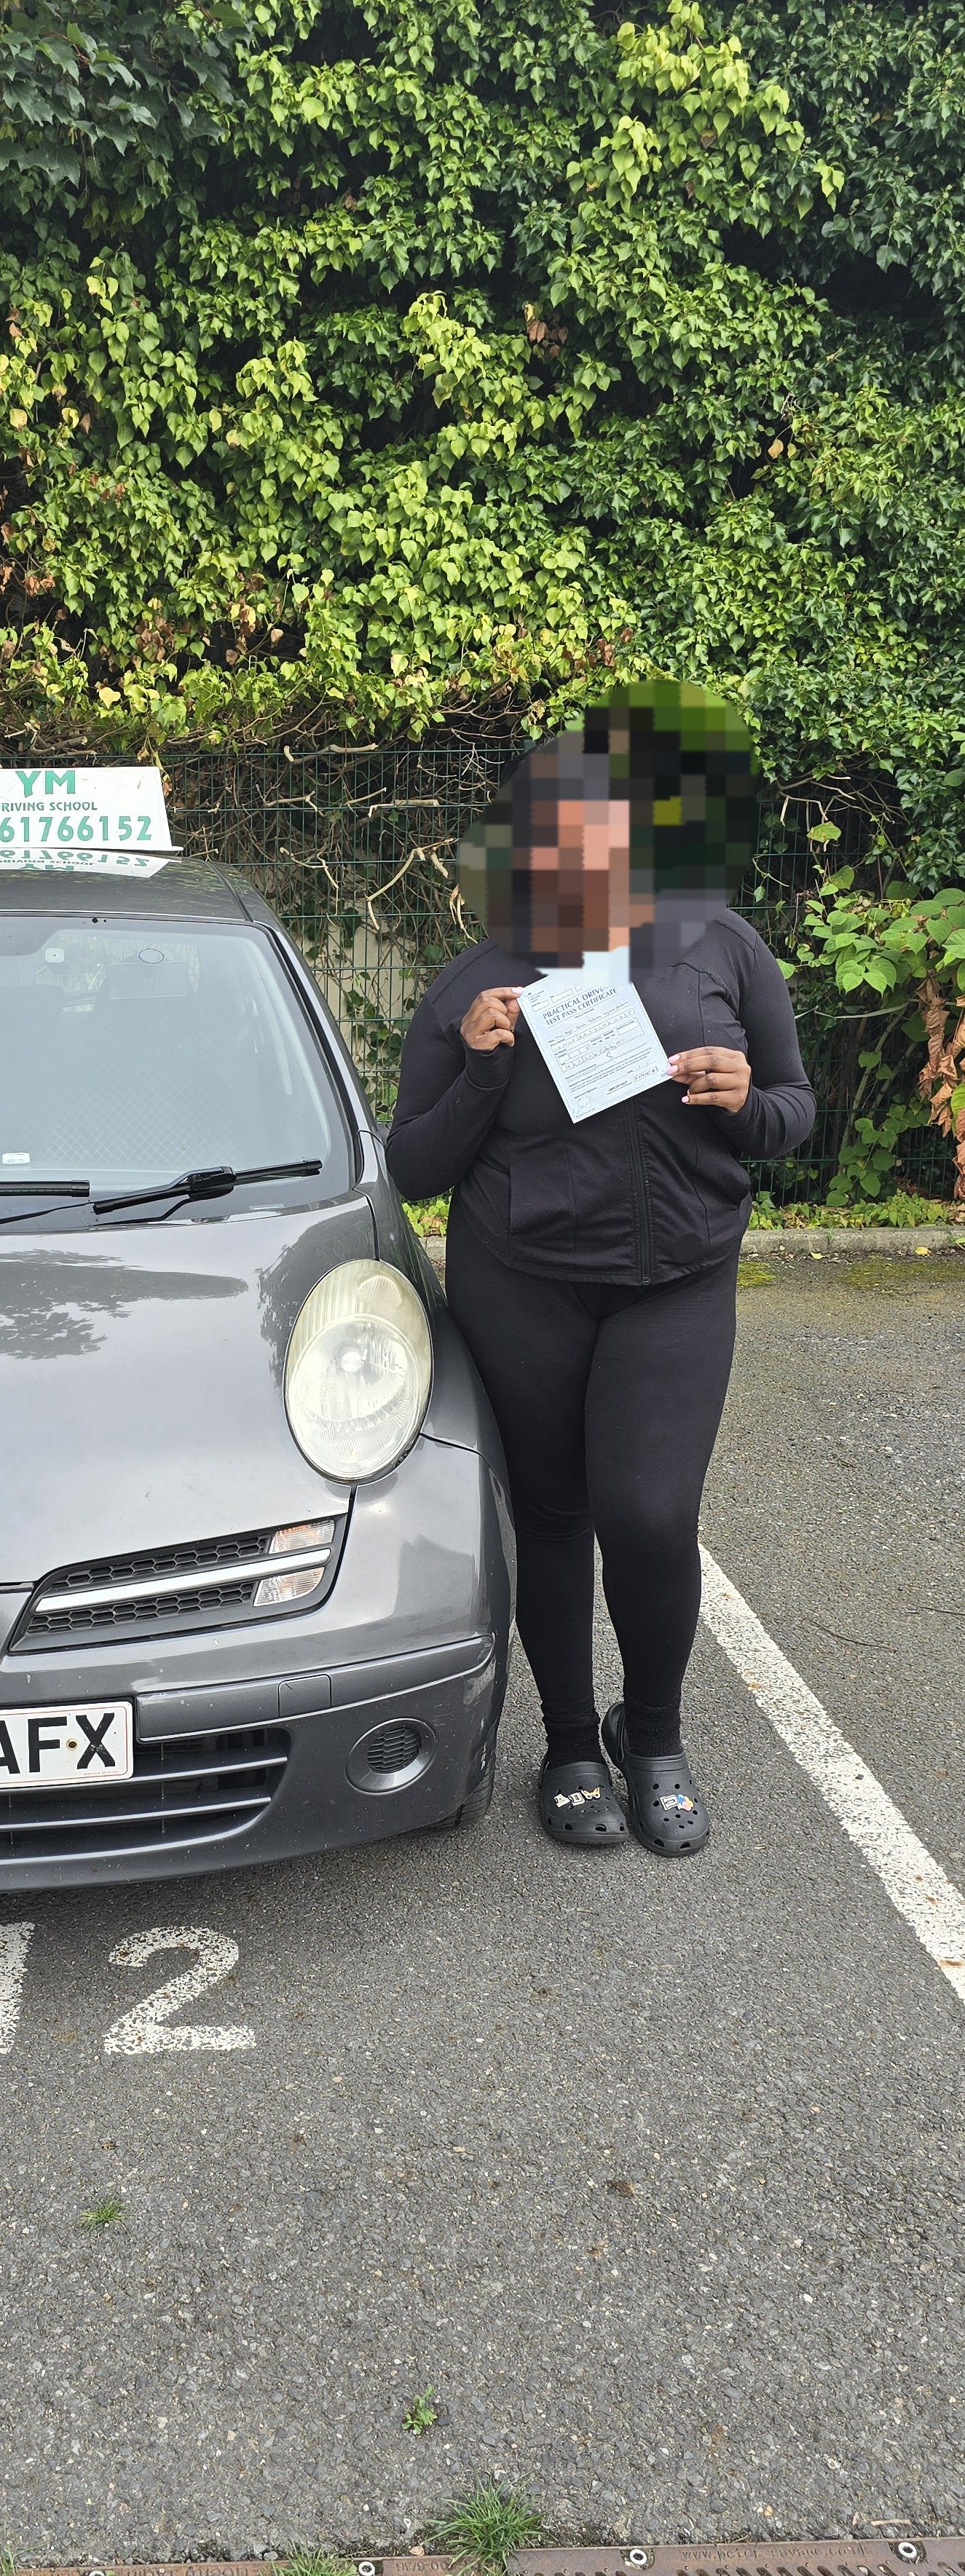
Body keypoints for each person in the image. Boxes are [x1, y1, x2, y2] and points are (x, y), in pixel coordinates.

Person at [387, 684, 815, 1854]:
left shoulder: (719, 944)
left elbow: (794, 1108)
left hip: (676, 1277)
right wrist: (479, 1066)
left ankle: (655, 1734)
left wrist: (744, 1102)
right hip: (520, 1280)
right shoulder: (484, 977)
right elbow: (412, 1164)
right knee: (557, 1515)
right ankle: (571, 1742)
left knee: (650, 1513)